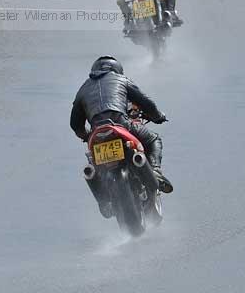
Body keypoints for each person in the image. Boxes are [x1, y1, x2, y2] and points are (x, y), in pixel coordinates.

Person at [70, 56, 173, 196]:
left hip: (96, 133)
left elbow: (75, 124)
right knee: (154, 140)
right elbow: (146, 103)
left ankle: (101, 194)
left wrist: (86, 136)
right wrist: (158, 116)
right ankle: (155, 170)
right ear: (117, 69)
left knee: (92, 165)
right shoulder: (121, 80)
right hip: (121, 124)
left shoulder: (82, 89)